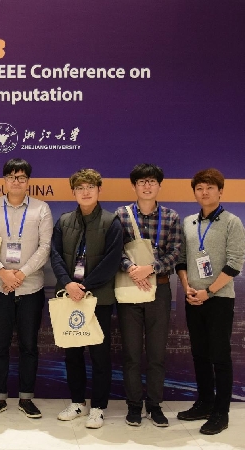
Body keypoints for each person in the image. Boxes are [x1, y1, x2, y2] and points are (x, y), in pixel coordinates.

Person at [0, 158, 53, 419]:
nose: (16, 181)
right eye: (11, 177)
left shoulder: (41, 208)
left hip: (30, 287)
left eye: (21, 177)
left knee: (29, 345)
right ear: (4, 180)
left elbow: (45, 247)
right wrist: (3, 272)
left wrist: (21, 274)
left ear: (28, 181)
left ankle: (26, 398)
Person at [50, 168, 123, 429]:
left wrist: (85, 286)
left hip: (98, 299)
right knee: (72, 354)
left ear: (99, 190)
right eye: (80, 188)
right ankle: (77, 402)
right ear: (73, 192)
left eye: (90, 187)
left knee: (100, 355)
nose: (85, 192)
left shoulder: (111, 222)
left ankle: (98, 407)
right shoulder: (64, 221)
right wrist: (69, 284)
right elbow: (55, 255)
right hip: (69, 297)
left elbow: (112, 261)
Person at [175, 168, 245, 435]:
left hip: (219, 300)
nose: (204, 192)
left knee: (220, 356)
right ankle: (204, 403)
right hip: (193, 297)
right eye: (199, 188)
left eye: (210, 188)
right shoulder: (189, 222)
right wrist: (187, 287)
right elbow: (181, 259)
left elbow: (235, 263)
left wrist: (209, 291)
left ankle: (220, 413)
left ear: (220, 191)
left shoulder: (232, 222)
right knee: (199, 354)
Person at [115, 163, 182, 427]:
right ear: (134, 186)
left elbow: (175, 252)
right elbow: (115, 250)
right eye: (142, 181)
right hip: (129, 287)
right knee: (131, 353)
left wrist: (150, 269)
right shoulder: (121, 215)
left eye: (152, 181)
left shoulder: (171, 217)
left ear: (159, 186)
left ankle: (154, 405)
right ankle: (134, 405)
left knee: (156, 354)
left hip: (160, 289)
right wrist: (132, 269)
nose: (147, 186)